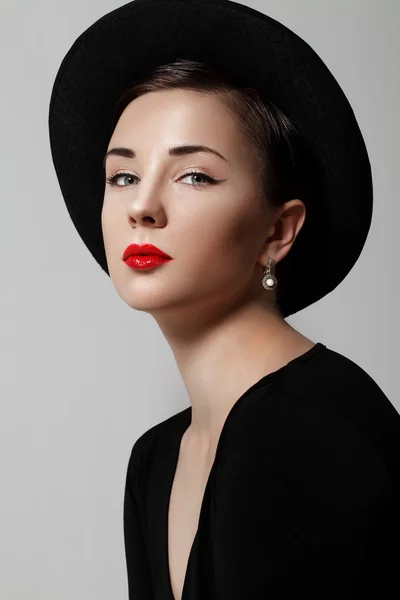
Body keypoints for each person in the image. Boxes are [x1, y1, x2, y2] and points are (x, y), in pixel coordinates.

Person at [48, 1, 400, 598]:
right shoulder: (156, 459)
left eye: (195, 176)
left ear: (277, 232)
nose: (142, 207)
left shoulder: (305, 434)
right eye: (123, 176)